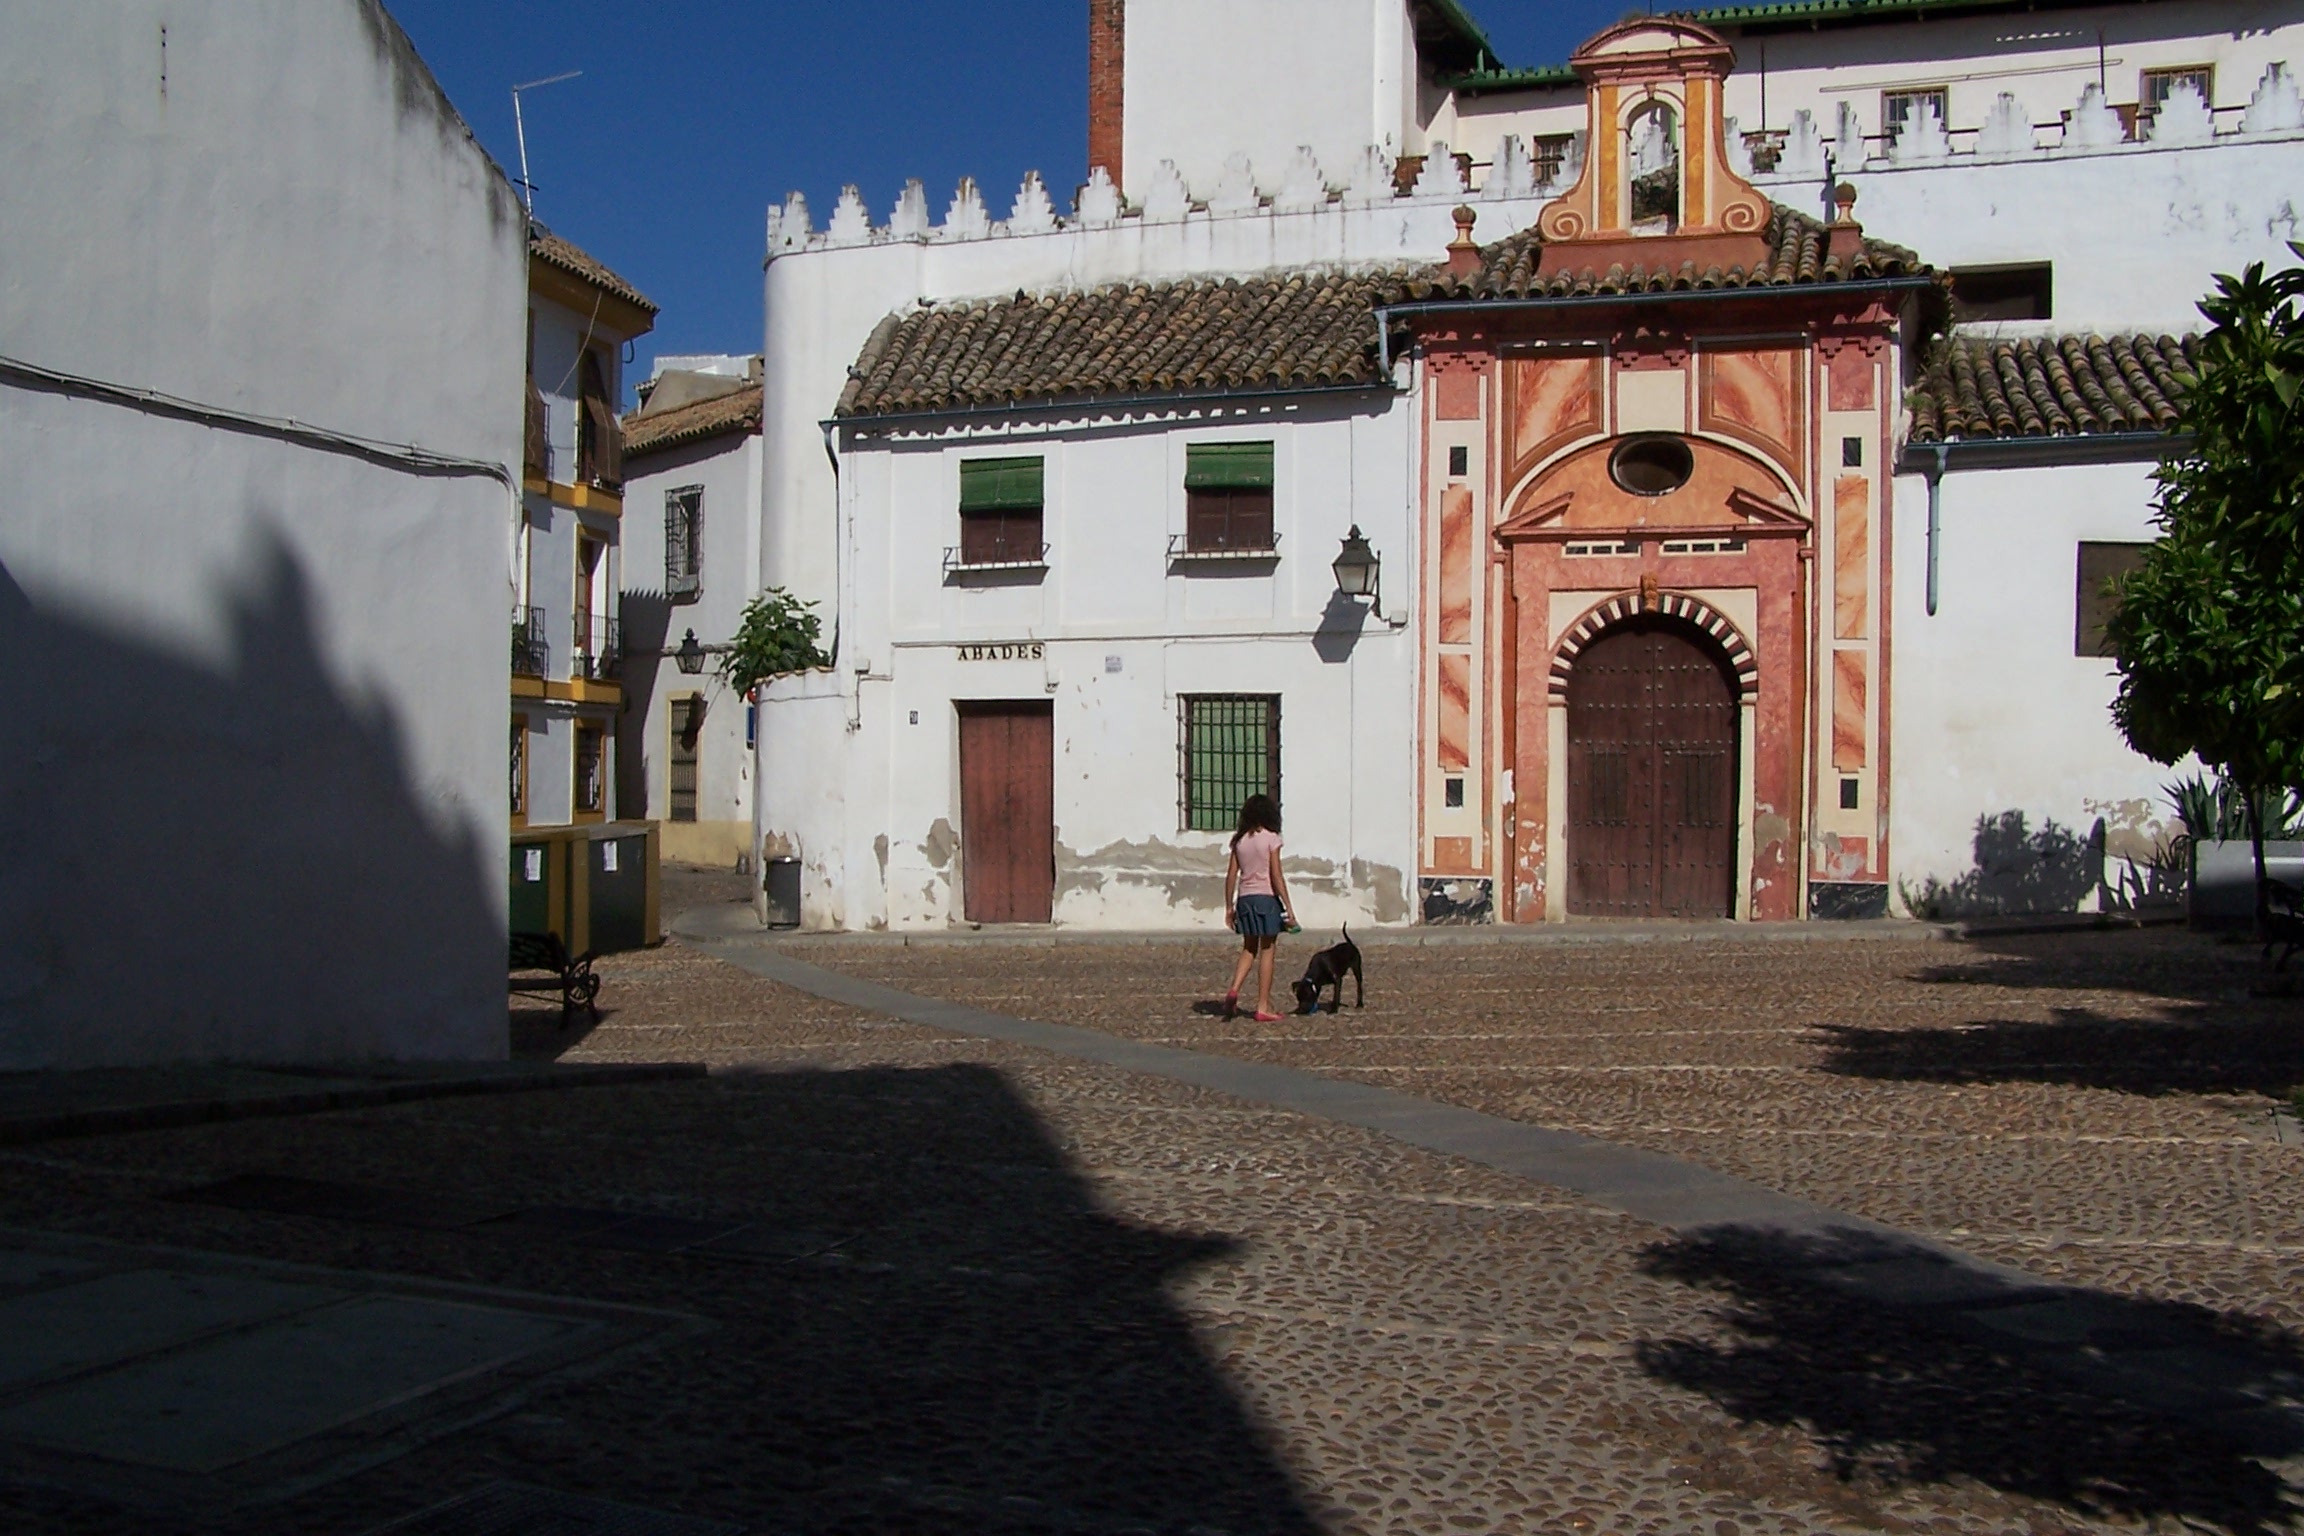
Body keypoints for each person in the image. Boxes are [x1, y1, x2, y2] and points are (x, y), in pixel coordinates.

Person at [1221, 793, 1294, 1022]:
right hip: (1266, 898)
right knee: (1268, 950)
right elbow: (1276, 875)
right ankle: (1263, 1005)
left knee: (1248, 947)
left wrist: (1228, 907)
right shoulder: (1271, 839)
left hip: (1245, 898)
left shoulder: (1240, 841)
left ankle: (1234, 989)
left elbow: (1231, 875)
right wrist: (1289, 907)